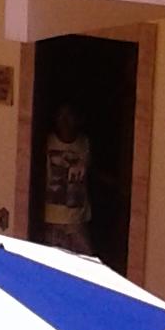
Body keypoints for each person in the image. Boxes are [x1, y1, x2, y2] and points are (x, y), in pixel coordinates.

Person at [41, 102, 93, 253]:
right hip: (51, 218)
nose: (64, 121)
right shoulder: (47, 141)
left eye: (69, 116)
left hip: (77, 220)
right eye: (61, 116)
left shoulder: (84, 143)